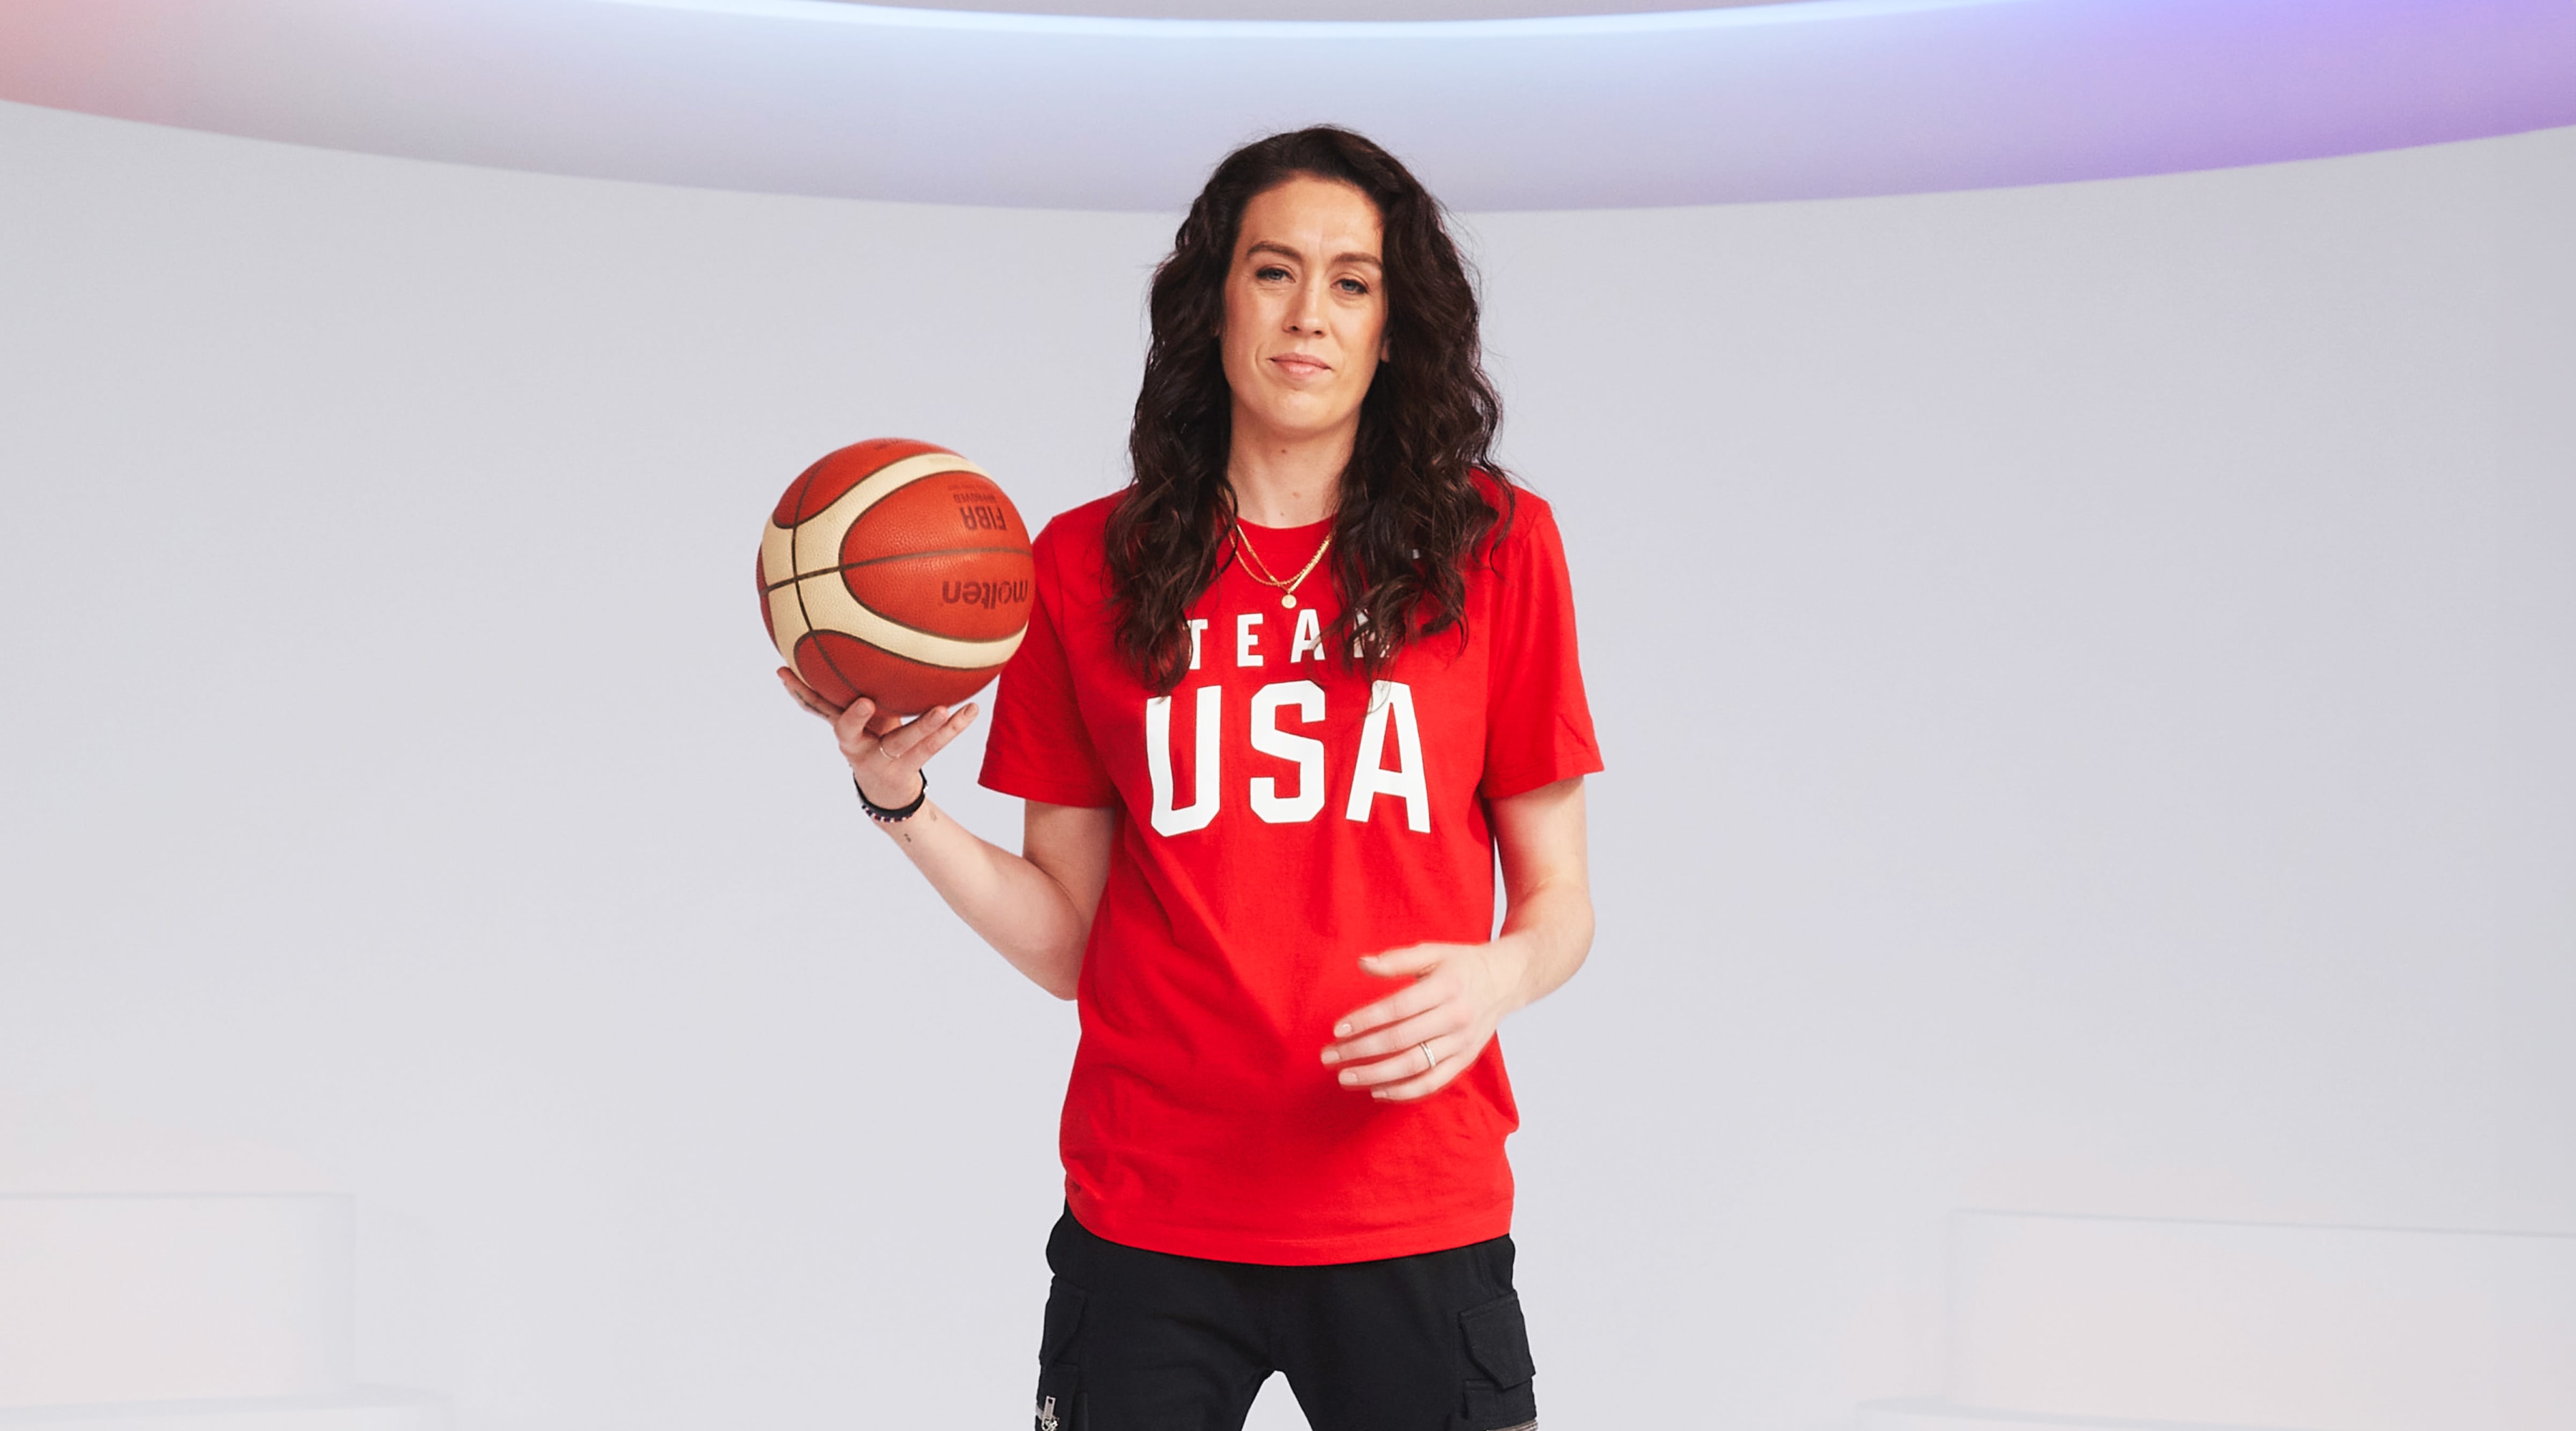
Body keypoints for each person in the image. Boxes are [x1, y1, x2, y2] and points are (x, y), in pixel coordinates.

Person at [779, 126, 1599, 1431]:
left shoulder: (1498, 551)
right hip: (1152, 1212)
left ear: (1395, 328)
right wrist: (901, 805)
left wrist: (1494, 974)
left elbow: (1561, 899)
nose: (1309, 316)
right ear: (1215, 303)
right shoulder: (1081, 565)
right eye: (1273, 271)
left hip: (1409, 1204)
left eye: (1352, 282)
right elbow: (1070, 940)